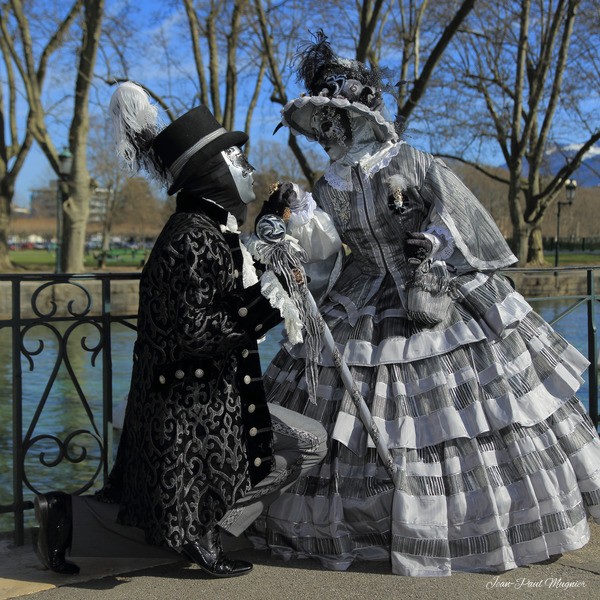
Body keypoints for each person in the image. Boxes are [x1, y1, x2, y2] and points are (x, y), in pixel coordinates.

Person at [248, 33, 600, 577]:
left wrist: (432, 241)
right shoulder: (328, 182)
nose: (332, 129)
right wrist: (298, 227)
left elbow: (460, 215)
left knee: (463, 421)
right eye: (324, 119)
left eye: (340, 115)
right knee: (348, 418)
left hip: (432, 289)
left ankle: (465, 522)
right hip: (359, 300)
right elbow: (326, 258)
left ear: (364, 113)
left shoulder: (412, 160)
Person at [33, 81, 327, 579]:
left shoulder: (209, 231)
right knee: (309, 443)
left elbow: (230, 286)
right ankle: (200, 530)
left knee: (298, 446)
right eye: (239, 160)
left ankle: (79, 518)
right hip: (191, 413)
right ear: (213, 173)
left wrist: (275, 227)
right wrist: (270, 298)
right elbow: (195, 332)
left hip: (211, 402)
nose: (250, 168)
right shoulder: (190, 239)